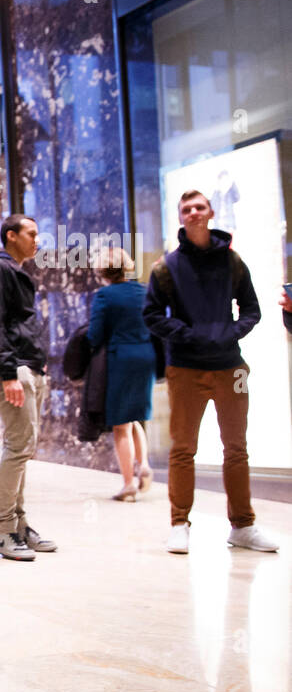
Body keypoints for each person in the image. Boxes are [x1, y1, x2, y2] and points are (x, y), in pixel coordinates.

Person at [143, 190, 277, 553]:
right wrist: (188, 336)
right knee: (183, 448)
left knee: (237, 448)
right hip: (184, 369)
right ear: (181, 218)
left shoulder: (233, 262)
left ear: (211, 212)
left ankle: (243, 526)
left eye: (199, 207)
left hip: (231, 367)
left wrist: (228, 333)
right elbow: (152, 315)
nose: (193, 213)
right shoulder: (165, 267)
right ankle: (179, 523)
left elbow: (251, 309)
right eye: (186, 209)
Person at [0, 214, 56, 561]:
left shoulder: (13, 271)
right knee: (18, 446)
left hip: (26, 366)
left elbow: (18, 323)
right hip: (13, 370)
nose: (36, 240)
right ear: (11, 236)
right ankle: (2, 528)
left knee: (23, 447)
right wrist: (9, 372)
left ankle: (19, 525)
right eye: (31, 234)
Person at [87, 247, 154, 501]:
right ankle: (144, 463)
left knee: (119, 425)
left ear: (102, 270)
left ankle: (128, 485)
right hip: (145, 355)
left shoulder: (105, 295)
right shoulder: (144, 290)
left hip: (120, 358)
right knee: (135, 415)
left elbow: (95, 334)